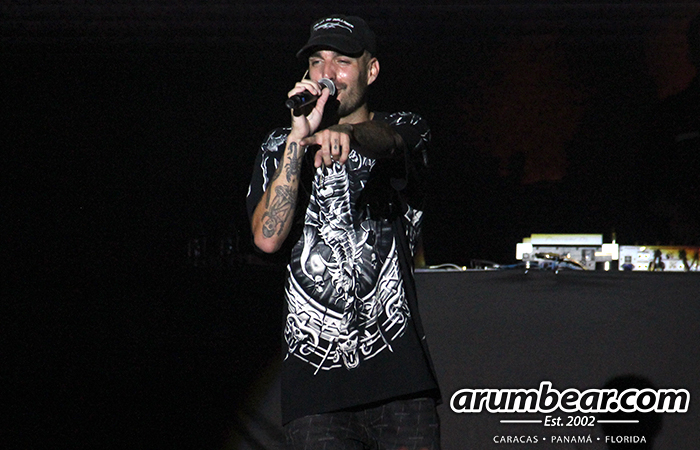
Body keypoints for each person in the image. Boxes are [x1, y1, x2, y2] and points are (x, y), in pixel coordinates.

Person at [246, 14, 441, 450]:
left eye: (342, 62)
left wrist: (345, 133)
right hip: (315, 394)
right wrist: (298, 138)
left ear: (371, 71)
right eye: (317, 61)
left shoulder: (406, 128)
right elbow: (267, 238)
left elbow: (389, 140)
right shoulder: (278, 146)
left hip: (400, 385)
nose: (328, 73)